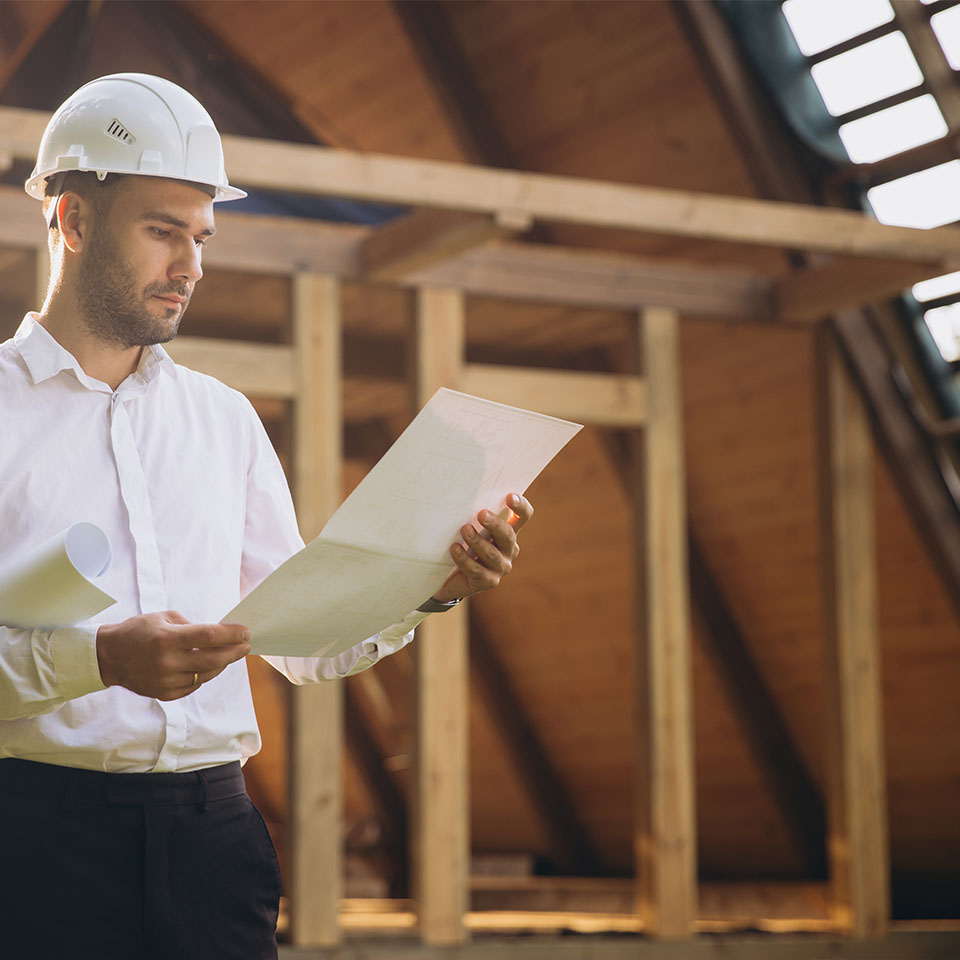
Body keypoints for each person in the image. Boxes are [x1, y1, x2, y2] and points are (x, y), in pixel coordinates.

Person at [0, 73, 532, 960]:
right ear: (73, 220)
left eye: (201, 236)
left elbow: (300, 638)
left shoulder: (224, 420)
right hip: (34, 848)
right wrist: (96, 660)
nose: (192, 265)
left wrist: (428, 585)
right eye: (162, 231)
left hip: (216, 844)